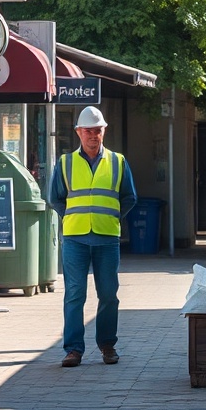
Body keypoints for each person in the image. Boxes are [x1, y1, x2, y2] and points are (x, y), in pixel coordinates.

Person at [47, 106, 137, 368]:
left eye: (97, 130)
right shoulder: (65, 163)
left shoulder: (118, 161)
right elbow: (55, 198)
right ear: (78, 132)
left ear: (104, 132)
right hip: (75, 237)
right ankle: (73, 349)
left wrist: (111, 217)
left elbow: (129, 197)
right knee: (75, 293)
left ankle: (107, 345)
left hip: (107, 237)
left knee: (108, 293)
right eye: (88, 130)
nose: (93, 135)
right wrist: (73, 216)